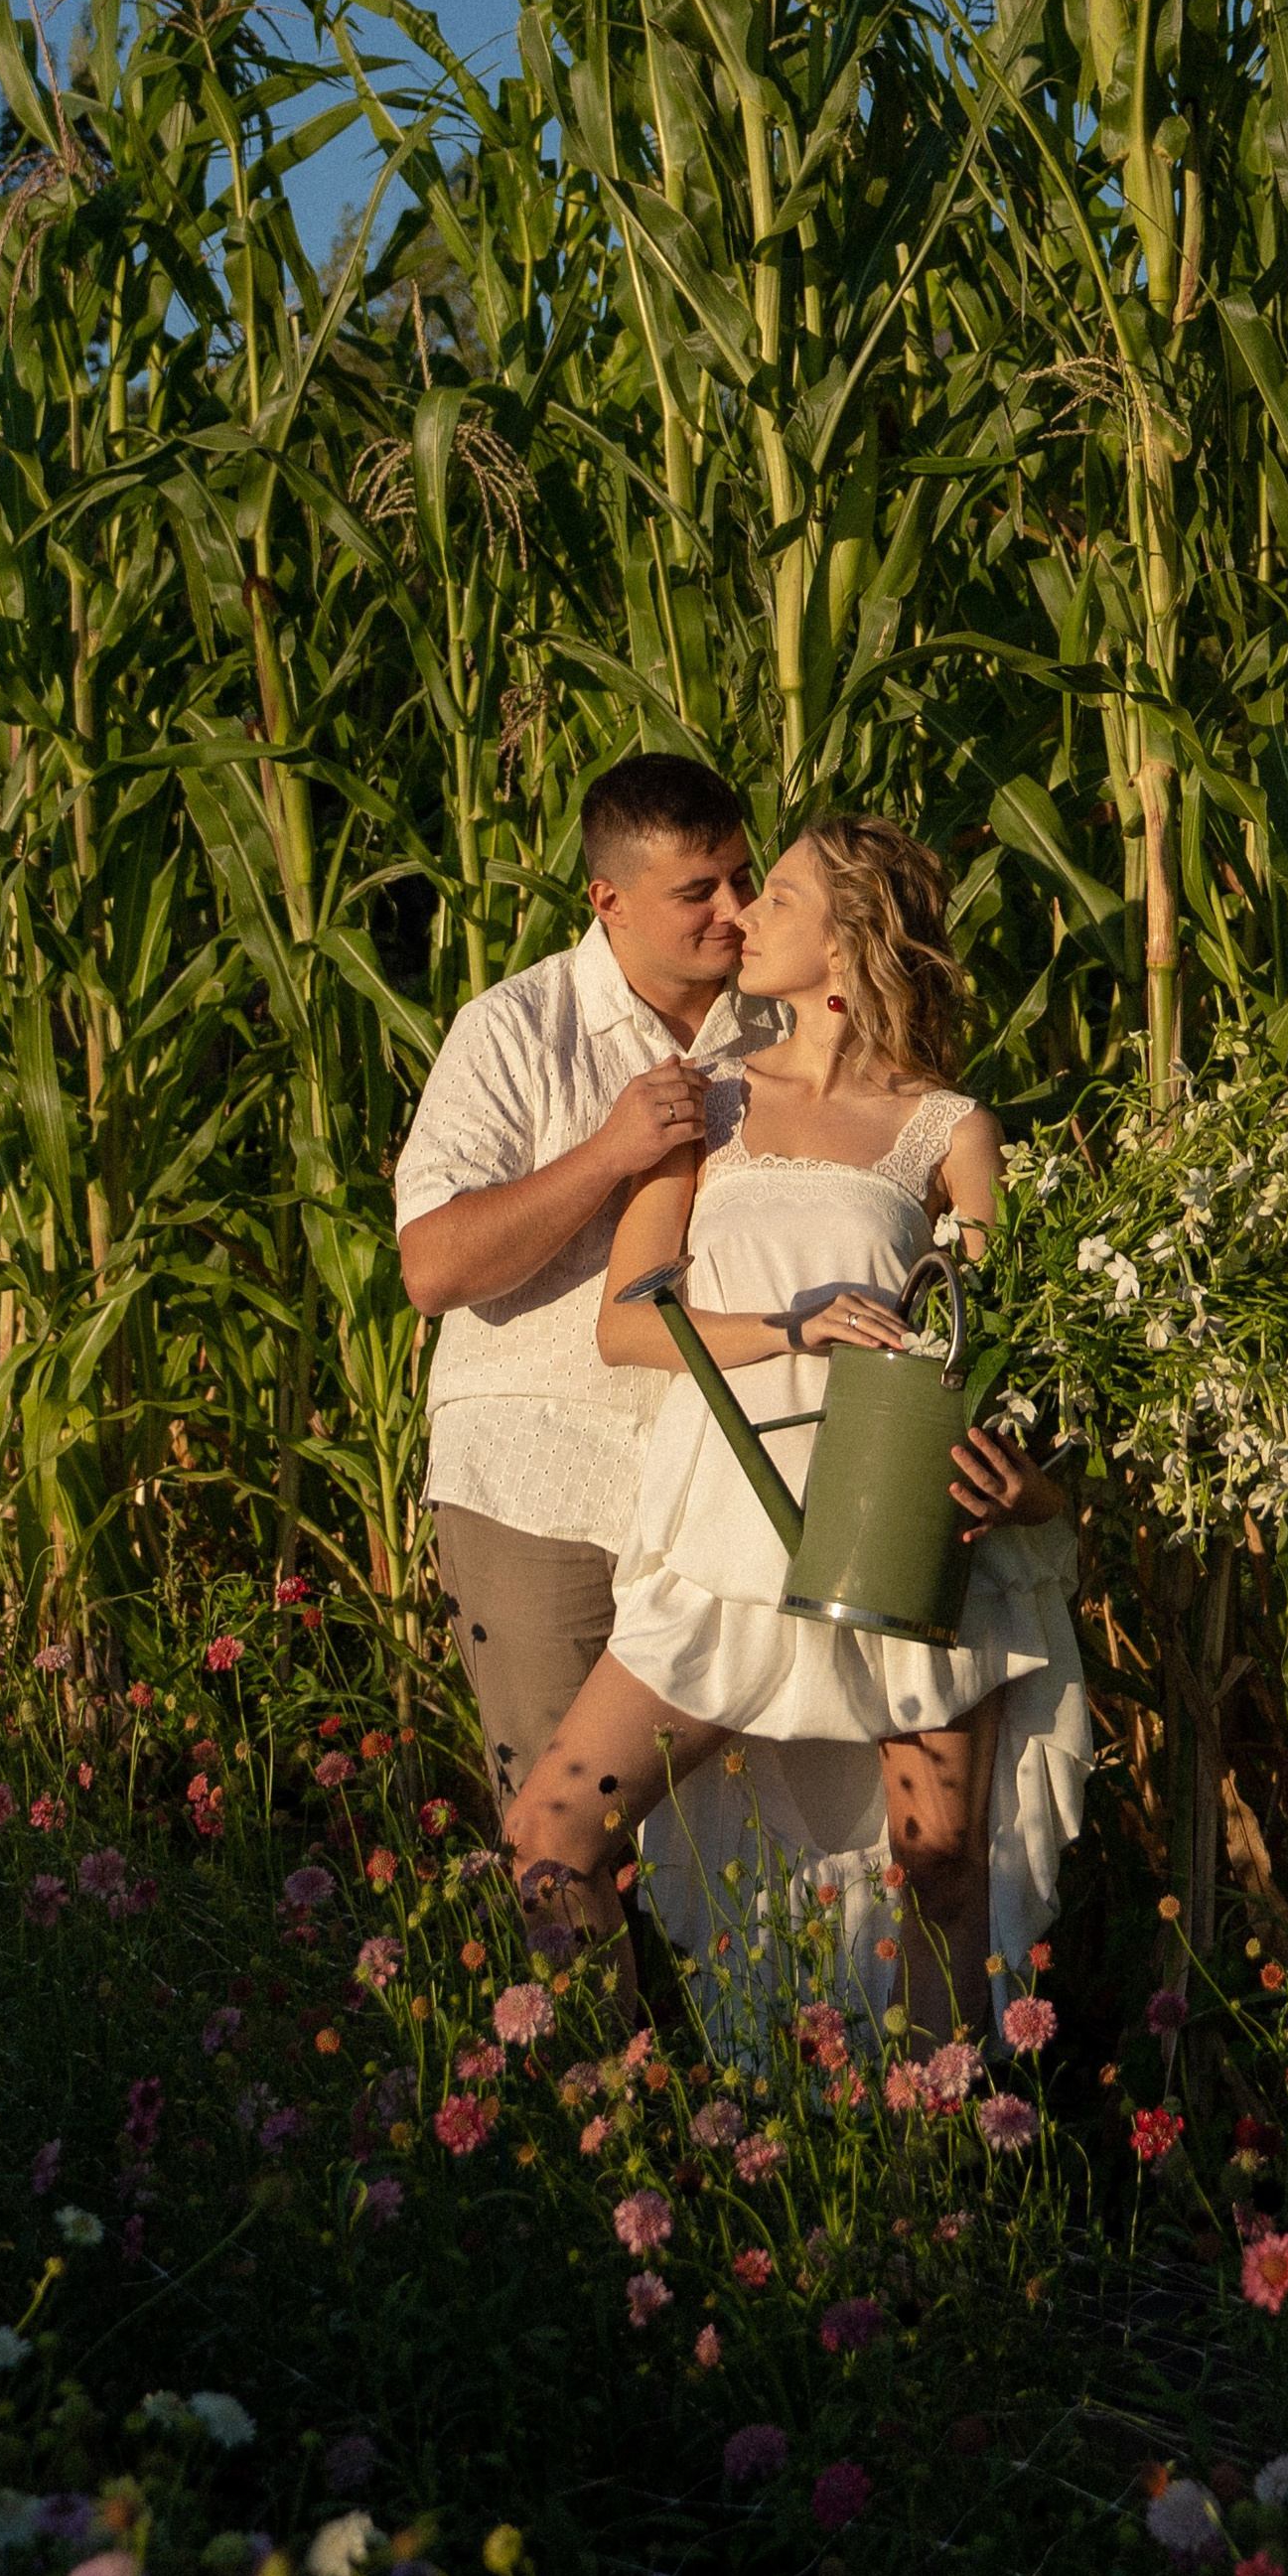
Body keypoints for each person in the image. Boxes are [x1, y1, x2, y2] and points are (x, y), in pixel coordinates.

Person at [501, 817, 1088, 2038]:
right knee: (551, 1835)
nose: (740, 920)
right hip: (725, 1541)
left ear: (848, 942)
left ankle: (945, 2182)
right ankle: (618, 2122)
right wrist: (790, 1324)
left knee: (938, 1874)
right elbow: (627, 1323)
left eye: (773, 898)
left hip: (902, 1544)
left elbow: (1010, 1359)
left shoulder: (950, 1130)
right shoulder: (704, 1106)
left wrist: (1026, 1491)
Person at [393, 752, 770, 1816]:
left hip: (723, 1489)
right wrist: (607, 1154)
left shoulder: (782, 1027)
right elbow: (433, 1268)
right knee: (564, 1834)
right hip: (541, 1480)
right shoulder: (515, 1029)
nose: (734, 912)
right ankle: (573, 1999)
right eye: (697, 891)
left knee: (728, 1853)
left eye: (743, 877)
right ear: (606, 900)